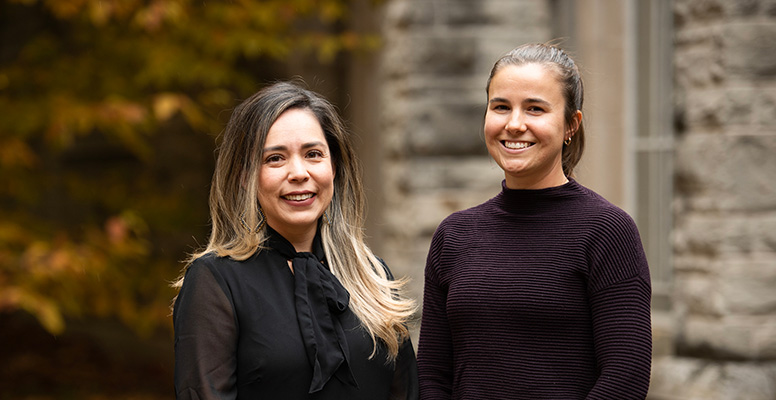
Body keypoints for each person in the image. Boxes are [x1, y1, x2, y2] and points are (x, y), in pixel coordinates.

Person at [417, 43, 653, 399]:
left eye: (535, 109)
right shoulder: (454, 235)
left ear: (571, 124)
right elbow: (432, 373)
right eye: (500, 107)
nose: (514, 124)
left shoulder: (606, 230)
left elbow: (625, 377)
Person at [172, 81, 418, 400]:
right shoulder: (215, 282)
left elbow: (408, 392)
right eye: (275, 158)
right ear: (246, 175)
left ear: (335, 168)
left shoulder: (372, 276)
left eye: (313, 154)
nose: (299, 172)